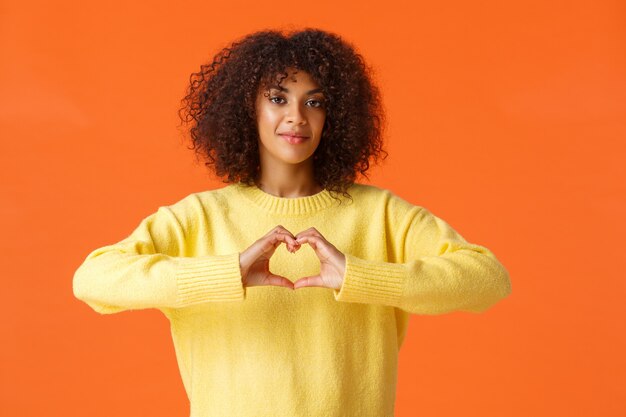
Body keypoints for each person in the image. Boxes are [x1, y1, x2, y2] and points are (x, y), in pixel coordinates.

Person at [73, 27, 512, 417]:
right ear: (248, 109)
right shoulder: (199, 217)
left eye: (314, 102)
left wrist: (361, 276)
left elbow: (489, 279)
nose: (296, 117)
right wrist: (229, 272)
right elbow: (93, 280)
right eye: (278, 98)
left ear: (333, 116)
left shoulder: (380, 214)